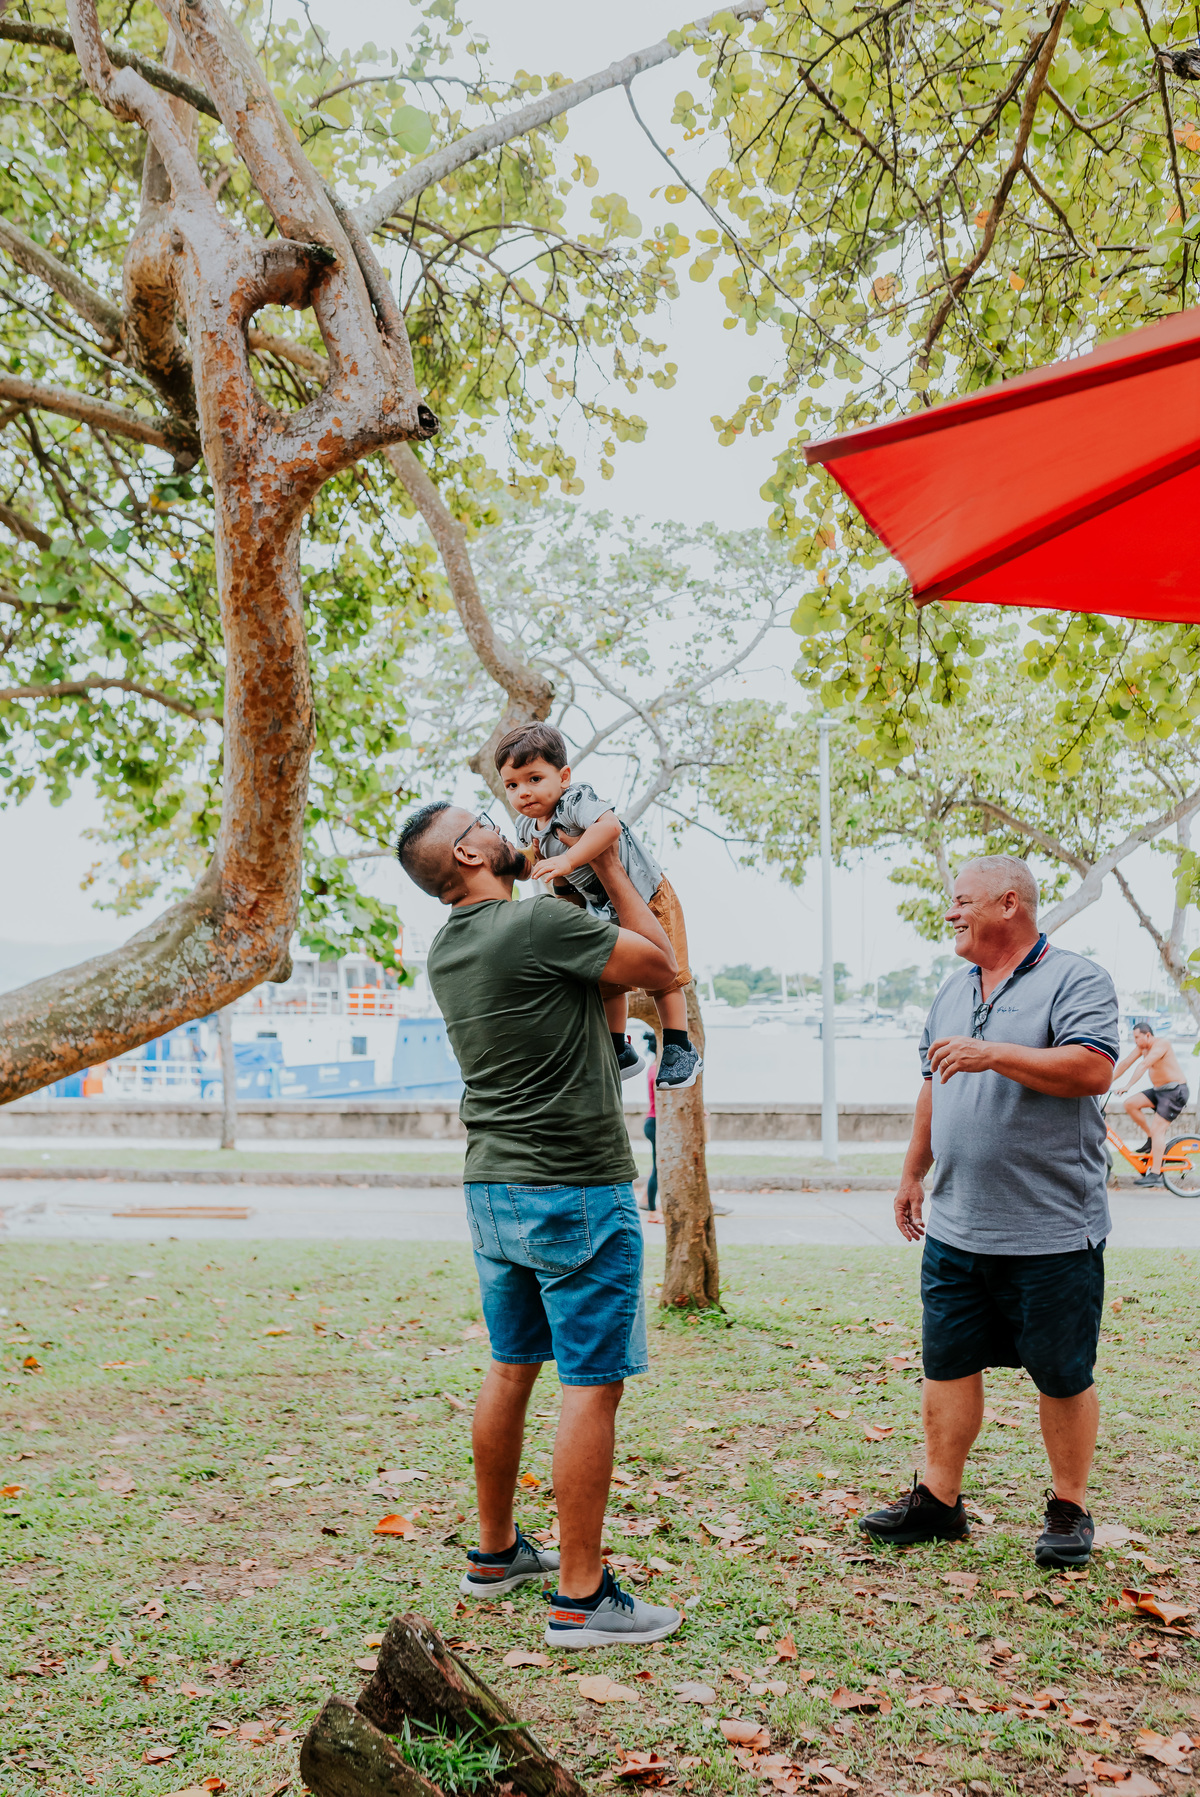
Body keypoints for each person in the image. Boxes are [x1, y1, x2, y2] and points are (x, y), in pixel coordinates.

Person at [395, 800, 683, 1650]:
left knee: (513, 1364)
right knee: (590, 1382)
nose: (502, 822)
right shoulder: (535, 927)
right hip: (575, 1185)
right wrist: (617, 867)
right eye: (485, 816)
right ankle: (581, 1597)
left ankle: (494, 1555)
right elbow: (661, 964)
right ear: (471, 851)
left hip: (494, 1185)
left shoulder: (449, 949)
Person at [860, 855, 1118, 1569]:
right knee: (946, 1364)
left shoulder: (1077, 978)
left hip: (1052, 1229)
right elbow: (932, 1086)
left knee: (1062, 1372)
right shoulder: (951, 990)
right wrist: (914, 1171)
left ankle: (1069, 1508)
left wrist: (994, 1053)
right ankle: (940, 1500)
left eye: (962, 900)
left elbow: (1094, 1067)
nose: (951, 912)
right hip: (956, 1223)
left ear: (1010, 904)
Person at [494, 722, 702, 1091]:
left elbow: (609, 829)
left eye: (534, 779)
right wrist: (509, 861)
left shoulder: (575, 801)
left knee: (667, 976)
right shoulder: (527, 824)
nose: (523, 792)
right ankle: (618, 1047)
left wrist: (570, 860)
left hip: (648, 895)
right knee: (606, 980)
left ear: (563, 776)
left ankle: (678, 1046)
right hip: (605, 909)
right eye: (512, 785)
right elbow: (532, 860)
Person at [1111, 1021, 1189, 1188]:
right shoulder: (1142, 1048)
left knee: (1158, 1130)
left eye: (1137, 1037)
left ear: (1148, 1035)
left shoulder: (1162, 1044)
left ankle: (1155, 1174)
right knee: (1130, 1103)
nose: (1135, 1041)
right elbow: (1125, 1064)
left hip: (1174, 1091)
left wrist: (1128, 1086)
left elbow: (1144, 1065)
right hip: (1160, 1090)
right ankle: (1150, 1138)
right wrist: (1105, 1082)